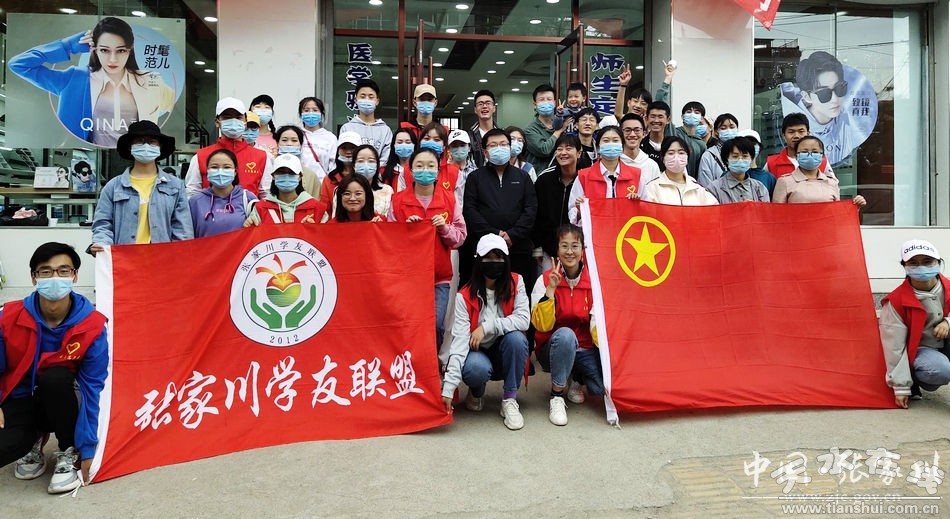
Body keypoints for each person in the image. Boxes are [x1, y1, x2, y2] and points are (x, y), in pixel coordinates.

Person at [0, 242, 109, 494]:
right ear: (34, 277)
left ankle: (68, 449)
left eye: (63, 271)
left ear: (75, 276)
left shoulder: (93, 326)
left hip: (65, 401)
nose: (55, 278)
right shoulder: (7, 317)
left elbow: (93, 389)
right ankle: (33, 440)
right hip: (21, 401)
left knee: (55, 378)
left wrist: (88, 448)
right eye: (46, 272)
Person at [9, 17, 175, 145]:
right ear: (94, 49)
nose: (112, 59)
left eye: (120, 51)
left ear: (129, 51)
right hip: (92, 156)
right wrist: (67, 46)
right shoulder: (74, 79)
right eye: (104, 50)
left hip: (138, 160)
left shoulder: (151, 81)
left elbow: (173, 107)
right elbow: (19, 64)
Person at [441, 234, 530, 430]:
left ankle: (509, 400)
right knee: (475, 368)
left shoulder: (517, 282)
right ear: (478, 261)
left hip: (505, 351)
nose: (494, 263)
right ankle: (476, 392)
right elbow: (459, 343)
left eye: (498, 257)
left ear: (506, 260)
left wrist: (487, 327)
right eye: (488, 258)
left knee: (517, 339)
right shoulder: (464, 296)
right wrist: (448, 388)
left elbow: (524, 319)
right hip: (478, 353)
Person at [389, 148, 467, 353]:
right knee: (408, 326)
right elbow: (389, 241)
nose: (425, 170)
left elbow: (460, 237)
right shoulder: (397, 200)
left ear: (438, 170)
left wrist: (444, 228)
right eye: (420, 165)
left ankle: (431, 364)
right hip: (407, 277)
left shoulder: (449, 199)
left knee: (437, 325)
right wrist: (405, 230)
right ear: (411, 170)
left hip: (439, 277)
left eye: (431, 166)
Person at [530, 225, 603, 425]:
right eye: (564, 246)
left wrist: (604, 359)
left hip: (584, 348)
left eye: (575, 246)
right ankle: (557, 395)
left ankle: (577, 377)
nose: (570, 252)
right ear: (557, 249)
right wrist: (551, 290)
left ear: (582, 250)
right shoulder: (544, 279)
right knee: (566, 335)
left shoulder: (594, 282)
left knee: (600, 388)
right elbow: (542, 326)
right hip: (553, 348)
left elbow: (597, 325)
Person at [90, 121, 192, 250]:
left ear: (160, 147)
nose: (146, 145)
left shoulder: (175, 186)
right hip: (125, 257)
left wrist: (180, 254)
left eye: (152, 142)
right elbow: (103, 223)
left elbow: (182, 229)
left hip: (161, 257)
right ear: (130, 147)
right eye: (139, 141)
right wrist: (102, 244)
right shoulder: (113, 186)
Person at [460, 128, 538, 290]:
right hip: (484, 248)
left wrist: (512, 235)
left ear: (510, 148)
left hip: (517, 248)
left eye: (503, 144)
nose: (499, 148)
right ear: (485, 152)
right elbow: (470, 210)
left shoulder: (523, 177)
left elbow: (530, 209)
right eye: (493, 145)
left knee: (517, 292)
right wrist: (494, 234)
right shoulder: (475, 177)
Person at [881, 240, 950, 409]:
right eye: (913, 263)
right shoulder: (895, 302)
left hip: (946, 343)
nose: (921, 267)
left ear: (938, 262)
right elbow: (894, 347)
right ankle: (914, 379)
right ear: (904, 266)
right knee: (940, 371)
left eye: (927, 261)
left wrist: (948, 322)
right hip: (921, 350)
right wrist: (901, 387)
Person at [185, 97, 274, 199]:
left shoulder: (262, 157)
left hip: (249, 209)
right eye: (227, 117)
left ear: (245, 121)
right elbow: (191, 193)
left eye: (238, 117)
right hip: (208, 209)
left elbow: (266, 196)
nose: (233, 121)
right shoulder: (200, 156)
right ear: (217, 122)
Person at [781, 51, 858, 165]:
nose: (835, 98)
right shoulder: (792, 122)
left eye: (840, 88)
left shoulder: (848, 120)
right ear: (806, 96)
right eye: (824, 93)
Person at [568, 125, 641, 224]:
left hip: (626, 231)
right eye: (606, 141)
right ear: (598, 146)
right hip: (595, 231)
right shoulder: (584, 176)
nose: (611, 144)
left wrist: (638, 203)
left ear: (622, 145)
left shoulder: (636, 175)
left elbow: (647, 209)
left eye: (615, 140)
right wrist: (579, 211)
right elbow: (572, 212)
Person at [771, 136, 866, 206]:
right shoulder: (784, 182)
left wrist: (855, 205)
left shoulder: (832, 182)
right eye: (804, 152)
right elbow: (777, 214)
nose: (810, 155)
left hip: (824, 228)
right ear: (796, 155)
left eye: (815, 152)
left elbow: (836, 214)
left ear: (822, 156)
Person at [533, 135, 582, 271]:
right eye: (559, 149)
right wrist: (537, 247)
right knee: (548, 282)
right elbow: (535, 215)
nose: (563, 153)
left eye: (568, 148)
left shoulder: (586, 179)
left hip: (577, 250)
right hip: (548, 251)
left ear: (579, 153)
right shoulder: (544, 179)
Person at [189, 149, 258, 238]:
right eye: (214, 167)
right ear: (207, 171)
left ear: (235, 171)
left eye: (227, 167)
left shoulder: (248, 199)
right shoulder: (195, 202)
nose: (220, 172)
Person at [245, 154, 327, 226]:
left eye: (291, 173)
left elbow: (325, 235)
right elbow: (252, 236)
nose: (286, 177)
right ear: (273, 176)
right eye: (281, 172)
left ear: (300, 176)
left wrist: (314, 229)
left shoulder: (317, 208)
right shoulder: (260, 208)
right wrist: (249, 226)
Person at [642, 136, 718, 206]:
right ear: (663, 158)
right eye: (671, 153)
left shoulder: (696, 188)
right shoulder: (652, 188)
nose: (676, 157)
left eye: (681, 153)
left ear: (687, 157)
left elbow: (714, 209)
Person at [339, 79, 393, 166]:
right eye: (363, 96)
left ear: (377, 101)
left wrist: (375, 171)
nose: (367, 100)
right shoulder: (347, 128)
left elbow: (386, 158)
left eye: (371, 97)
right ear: (356, 100)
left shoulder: (385, 130)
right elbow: (344, 155)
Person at [766, 113, 835, 179]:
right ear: (784, 136)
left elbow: (832, 184)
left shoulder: (820, 160)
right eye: (791, 132)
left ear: (808, 134)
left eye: (801, 131)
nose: (796, 136)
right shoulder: (771, 163)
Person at [705, 137, 770, 204]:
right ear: (726, 159)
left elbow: (766, 210)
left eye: (745, 156)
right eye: (735, 156)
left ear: (751, 159)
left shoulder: (760, 188)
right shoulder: (714, 188)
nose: (740, 160)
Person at [524, 84, 571, 173]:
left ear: (554, 103)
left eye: (549, 99)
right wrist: (558, 132)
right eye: (541, 99)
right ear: (535, 104)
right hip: (539, 176)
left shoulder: (562, 123)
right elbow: (544, 150)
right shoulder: (529, 130)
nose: (546, 102)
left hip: (562, 174)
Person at [273, 125, 323, 197]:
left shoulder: (310, 175)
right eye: (284, 140)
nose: (289, 144)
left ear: (301, 145)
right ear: (277, 144)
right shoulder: (269, 168)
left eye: (294, 140)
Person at [618, 113, 661, 193]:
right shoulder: (614, 163)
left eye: (637, 130)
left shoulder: (652, 165)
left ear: (644, 134)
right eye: (627, 130)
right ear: (620, 133)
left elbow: (657, 194)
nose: (632, 134)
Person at [350, 144, 393, 217]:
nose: (366, 165)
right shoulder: (343, 190)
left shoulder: (387, 190)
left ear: (377, 165)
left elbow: (390, 219)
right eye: (360, 161)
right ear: (354, 165)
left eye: (371, 161)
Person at [697, 113, 739, 187]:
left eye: (732, 127)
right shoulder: (709, 155)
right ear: (716, 131)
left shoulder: (743, 153)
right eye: (723, 128)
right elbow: (705, 185)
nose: (728, 130)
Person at [318, 131, 361, 205]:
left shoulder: (366, 176)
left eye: (353, 148)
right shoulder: (329, 179)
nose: (348, 152)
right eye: (344, 148)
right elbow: (325, 207)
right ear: (338, 151)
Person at [419, 121, 460, 198]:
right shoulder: (407, 171)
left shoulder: (455, 172)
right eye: (427, 138)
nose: (431, 142)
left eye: (437, 140)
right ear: (420, 142)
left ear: (444, 146)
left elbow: (459, 202)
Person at [298, 97, 337, 174]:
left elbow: (333, 164)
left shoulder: (330, 137)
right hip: (300, 180)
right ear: (301, 115)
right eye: (306, 110)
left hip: (322, 180)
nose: (311, 113)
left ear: (321, 114)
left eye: (315, 110)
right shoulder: (296, 135)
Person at [735, 130, 777, 197]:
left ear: (759, 148)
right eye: (745, 143)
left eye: (753, 143)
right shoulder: (728, 176)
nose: (749, 146)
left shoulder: (768, 178)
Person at [468, 89, 498, 169]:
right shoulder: (469, 136)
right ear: (475, 109)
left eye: (488, 103)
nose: (484, 106)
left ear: (494, 108)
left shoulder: (502, 134)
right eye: (480, 104)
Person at [447, 129, 478, 198]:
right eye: (454, 146)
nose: (459, 149)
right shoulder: (443, 171)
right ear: (449, 149)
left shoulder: (476, 172)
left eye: (462, 145)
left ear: (469, 147)